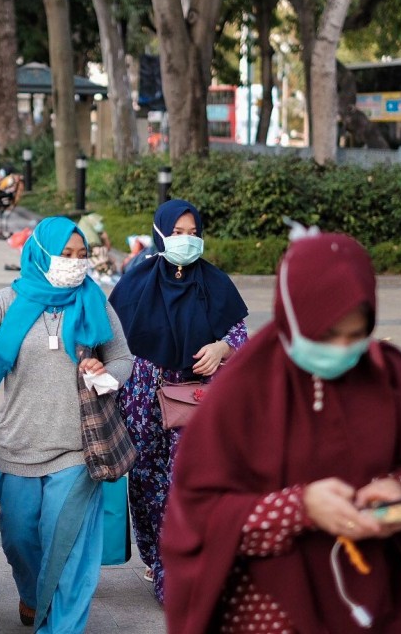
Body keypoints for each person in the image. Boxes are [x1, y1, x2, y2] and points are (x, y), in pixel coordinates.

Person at [161, 228, 401, 634]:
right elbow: (197, 518)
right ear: (293, 316)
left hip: (375, 603)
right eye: (327, 334)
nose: (342, 348)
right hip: (268, 609)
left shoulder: (387, 375)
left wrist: (400, 490)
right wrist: (299, 509)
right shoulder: (242, 390)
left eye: (356, 334)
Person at [0, 217, 133, 632]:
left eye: (81, 256)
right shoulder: (9, 300)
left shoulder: (96, 301)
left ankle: (61, 626)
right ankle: (35, 596)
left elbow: (122, 357)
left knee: (67, 543)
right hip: (19, 445)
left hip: (77, 448)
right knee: (20, 538)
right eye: (65, 255)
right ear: (40, 255)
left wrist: (103, 375)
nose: (74, 264)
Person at [108, 199, 249, 602]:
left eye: (193, 232)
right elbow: (112, 336)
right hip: (142, 399)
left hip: (196, 398)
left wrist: (223, 348)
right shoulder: (137, 281)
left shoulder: (214, 282)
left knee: (186, 484)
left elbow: (240, 334)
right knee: (146, 483)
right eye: (177, 232)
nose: (186, 240)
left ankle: (179, 578)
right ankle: (157, 559)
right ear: (160, 234)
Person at [75, 212, 118, 282]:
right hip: (97, 263)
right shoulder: (93, 243)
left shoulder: (86, 231)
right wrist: (106, 238)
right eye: (99, 222)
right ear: (93, 222)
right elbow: (107, 248)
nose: (100, 224)